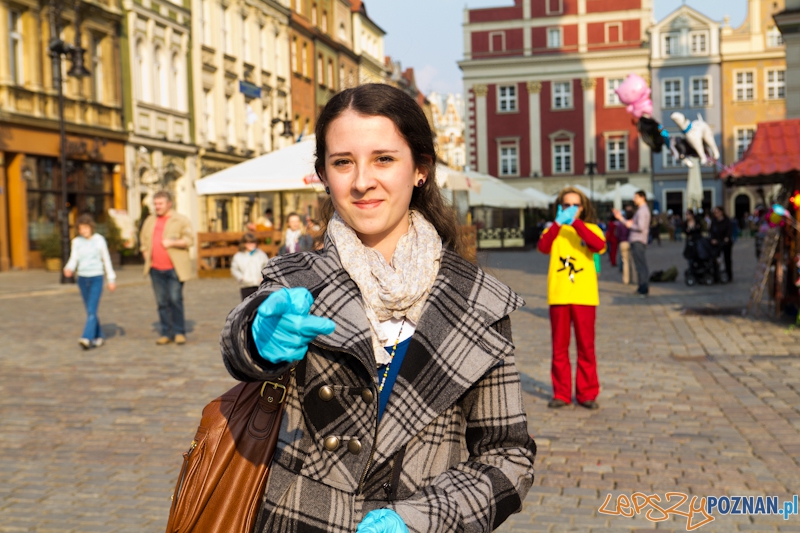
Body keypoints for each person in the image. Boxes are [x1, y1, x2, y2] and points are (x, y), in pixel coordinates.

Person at [219, 83, 536, 532]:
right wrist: (256, 338)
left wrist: (421, 519)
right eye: (343, 162)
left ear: (420, 169)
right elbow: (239, 342)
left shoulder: (478, 301)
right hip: (296, 521)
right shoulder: (293, 278)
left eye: (383, 159)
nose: (362, 180)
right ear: (325, 175)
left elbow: (509, 454)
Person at [537, 187, 606, 410]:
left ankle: (587, 393)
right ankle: (562, 393)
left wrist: (575, 223)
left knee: (586, 347)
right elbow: (543, 247)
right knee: (559, 348)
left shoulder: (592, 228)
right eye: (566, 205)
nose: (571, 209)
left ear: (582, 207)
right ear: (560, 207)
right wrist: (558, 224)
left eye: (575, 205)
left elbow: (599, 245)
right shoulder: (552, 229)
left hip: (585, 297)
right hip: (559, 296)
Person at [139, 190, 194, 345]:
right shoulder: (150, 220)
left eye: (160, 203)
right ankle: (166, 332)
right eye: (155, 204)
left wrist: (172, 243)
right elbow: (143, 241)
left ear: (169, 204)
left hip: (174, 268)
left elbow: (190, 240)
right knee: (161, 302)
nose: (157, 207)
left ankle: (179, 332)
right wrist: (146, 258)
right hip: (155, 269)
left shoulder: (180, 220)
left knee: (175, 299)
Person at [63, 214, 117, 349]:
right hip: (82, 278)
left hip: (96, 277)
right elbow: (74, 258)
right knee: (90, 310)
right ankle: (99, 336)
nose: (83, 231)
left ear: (91, 227)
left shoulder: (100, 240)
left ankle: (87, 337)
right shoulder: (76, 242)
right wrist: (69, 268)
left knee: (92, 309)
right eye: (80, 229)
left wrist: (111, 279)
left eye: (85, 228)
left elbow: (106, 259)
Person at [614, 190, 651, 297]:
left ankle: (643, 288)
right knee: (639, 265)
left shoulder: (642, 211)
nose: (634, 199)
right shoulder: (641, 210)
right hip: (637, 240)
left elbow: (641, 227)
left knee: (641, 265)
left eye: (636, 197)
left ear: (642, 197)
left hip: (638, 240)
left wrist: (629, 225)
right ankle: (641, 287)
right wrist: (622, 219)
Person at [230, 232, 269, 300]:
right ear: (244, 243)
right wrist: (241, 278)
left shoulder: (261, 254)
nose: (251, 245)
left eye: (253, 243)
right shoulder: (238, 256)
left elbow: (267, 266)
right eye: (249, 243)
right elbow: (234, 269)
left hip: (259, 285)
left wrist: (264, 277)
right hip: (246, 285)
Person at [710, 205, 733, 282]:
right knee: (715, 259)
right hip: (716, 243)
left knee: (727, 259)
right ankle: (716, 275)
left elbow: (729, 230)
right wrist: (713, 239)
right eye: (715, 212)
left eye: (717, 212)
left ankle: (729, 275)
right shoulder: (713, 221)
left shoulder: (727, 221)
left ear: (721, 212)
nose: (716, 214)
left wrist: (727, 238)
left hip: (725, 243)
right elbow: (711, 231)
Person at [617, 206, 637, 285]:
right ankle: (635, 279)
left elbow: (617, 234)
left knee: (625, 262)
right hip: (631, 241)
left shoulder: (621, 224)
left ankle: (626, 279)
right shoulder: (633, 222)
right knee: (633, 261)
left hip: (623, 242)